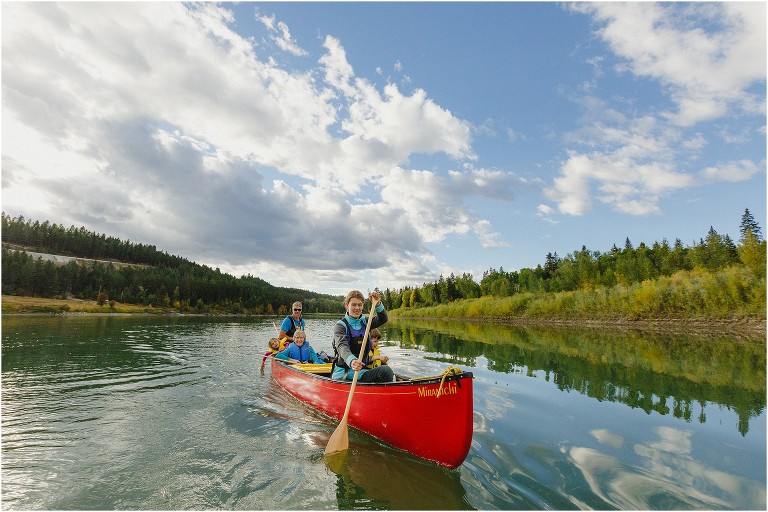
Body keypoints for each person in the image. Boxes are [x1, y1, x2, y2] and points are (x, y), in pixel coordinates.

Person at [332, 290, 394, 383]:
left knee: (386, 371)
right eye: (354, 304)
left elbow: (383, 319)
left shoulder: (365, 322)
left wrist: (377, 304)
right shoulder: (340, 326)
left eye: (360, 305)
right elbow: (342, 347)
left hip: (361, 371)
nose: (357, 308)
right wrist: (352, 361)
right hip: (345, 373)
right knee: (385, 371)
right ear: (346, 305)